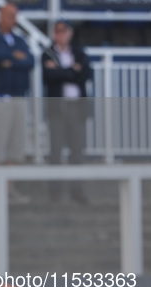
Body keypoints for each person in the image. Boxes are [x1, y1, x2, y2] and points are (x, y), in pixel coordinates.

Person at [0, 3, 34, 204]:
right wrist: (14, 58)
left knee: (14, 147)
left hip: (17, 97)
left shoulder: (20, 40)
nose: (13, 20)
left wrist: (9, 61)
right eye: (10, 16)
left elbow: (29, 61)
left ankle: (9, 190)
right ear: (1, 16)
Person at [43, 20, 91, 204]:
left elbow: (86, 73)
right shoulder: (48, 53)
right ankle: (55, 191)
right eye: (57, 31)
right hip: (58, 107)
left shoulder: (79, 52)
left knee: (77, 150)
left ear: (69, 33)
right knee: (55, 150)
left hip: (76, 106)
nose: (61, 35)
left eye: (64, 31)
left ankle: (77, 189)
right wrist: (72, 70)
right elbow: (50, 77)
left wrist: (62, 71)